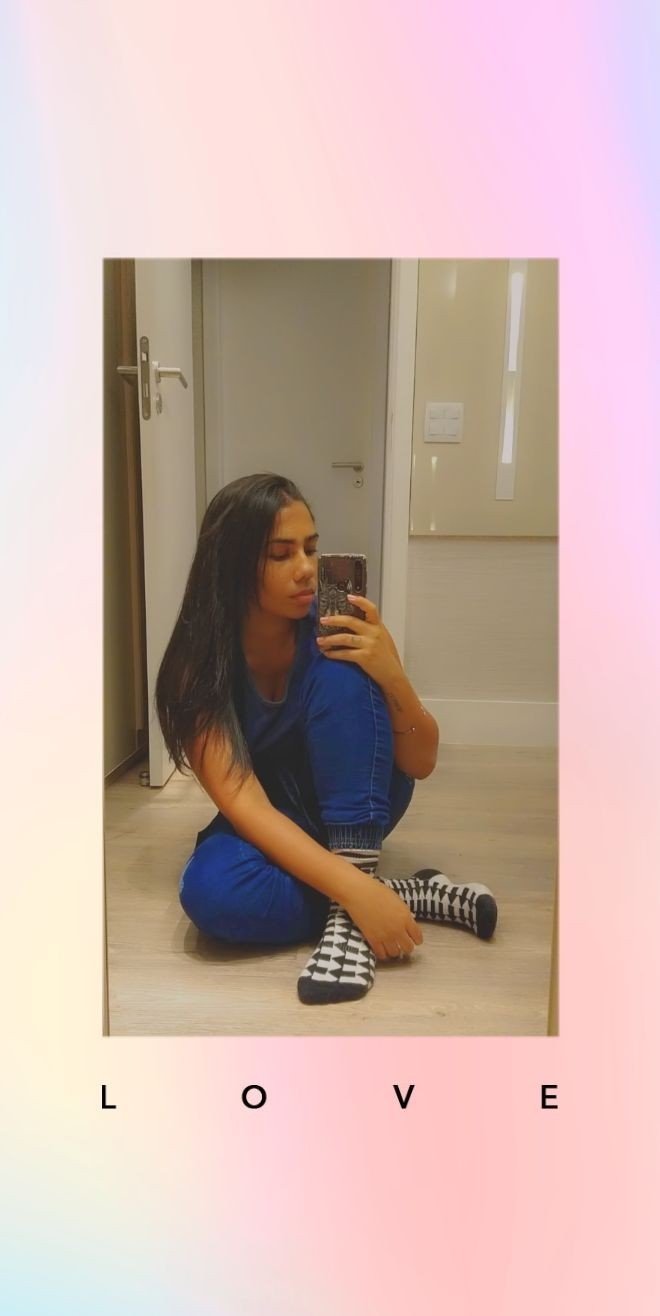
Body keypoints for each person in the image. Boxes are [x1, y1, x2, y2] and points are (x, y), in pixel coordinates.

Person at [156, 473, 497, 1005]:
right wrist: (357, 891)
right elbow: (247, 806)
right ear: (232, 563)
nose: (306, 569)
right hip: (269, 814)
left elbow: (419, 763)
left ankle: (351, 896)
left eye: (311, 549)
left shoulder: (341, 629)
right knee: (212, 894)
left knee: (342, 663)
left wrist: (392, 675)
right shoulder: (198, 667)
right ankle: (386, 892)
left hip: (363, 796)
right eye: (280, 554)